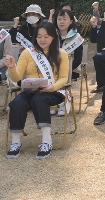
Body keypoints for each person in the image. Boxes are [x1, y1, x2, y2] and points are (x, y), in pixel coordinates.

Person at [5, 22, 69, 159]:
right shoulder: (28, 53)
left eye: (46, 36)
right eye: (39, 36)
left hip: (53, 92)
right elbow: (16, 77)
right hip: (30, 91)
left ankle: (47, 141)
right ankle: (15, 142)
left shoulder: (61, 53)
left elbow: (64, 78)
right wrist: (11, 67)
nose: (42, 39)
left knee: (39, 99)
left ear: (53, 37)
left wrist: (52, 87)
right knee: (16, 103)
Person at [55, 8, 84, 82]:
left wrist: (65, 69)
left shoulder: (76, 37)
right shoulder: (52, 35)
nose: (61, 22)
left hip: (72, 70)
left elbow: (78, 59)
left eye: (64, 19)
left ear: (71, 21)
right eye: (59, 19)